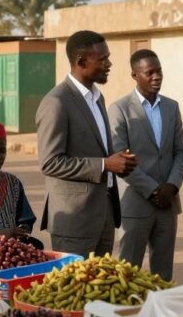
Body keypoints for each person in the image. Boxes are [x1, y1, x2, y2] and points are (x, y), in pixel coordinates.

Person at [36, 30, 132, 257]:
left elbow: (94, 148)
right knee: (73, 290)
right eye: (103, 59)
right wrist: (104, 165)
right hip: (74, 221)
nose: (109, 64)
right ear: (81, 62)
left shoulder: (97, 99)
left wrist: (119, 160)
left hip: (104, 216)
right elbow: (50, 162)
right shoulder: (56, 102)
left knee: (100, 289)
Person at [108, 49, 183, 281]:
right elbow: (120, 157)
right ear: (135, 75)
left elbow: (179, 151)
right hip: (135, 204)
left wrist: (171, 186)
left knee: (163, 275)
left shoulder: (171, 107)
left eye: (159, 71)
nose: (156, 77)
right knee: (127, 274)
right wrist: (153, 190)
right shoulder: (120, 109)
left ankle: (160, 315)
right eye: (149, 72)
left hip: (167, 204)